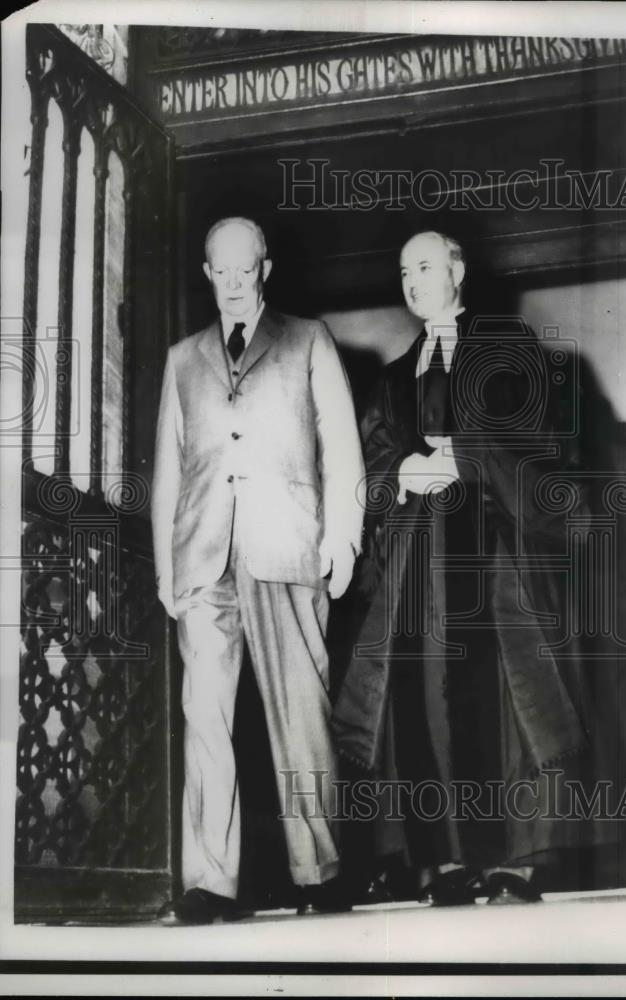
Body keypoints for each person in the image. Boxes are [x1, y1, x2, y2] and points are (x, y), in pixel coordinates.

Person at [333, 231, 626, 906]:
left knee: (516, 699)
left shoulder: (509, 350)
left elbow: (541, 440)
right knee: (423, 703)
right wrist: (403, 471)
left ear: (458, 271)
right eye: (404, 269)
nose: (412, 280)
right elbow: (370, 461)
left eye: (425, 266)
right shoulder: (391, 379)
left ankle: (515, 862)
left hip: (497, 551)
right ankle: (446, 861)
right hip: (422, 560)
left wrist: (465, 455)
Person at [151, 217, 364, 924]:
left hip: (287, 549)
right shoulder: (182, 360)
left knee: (300, 713)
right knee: (203, 719)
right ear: (207, 274)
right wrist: (164, 568)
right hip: (203, 558)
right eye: (223, 272)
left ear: (265, 270)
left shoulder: (308, 340)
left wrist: (343, 539)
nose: (236, 285)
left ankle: (320, 870)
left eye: (248, 271)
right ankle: (210, 880)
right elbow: (167, 475)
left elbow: (342, 448)